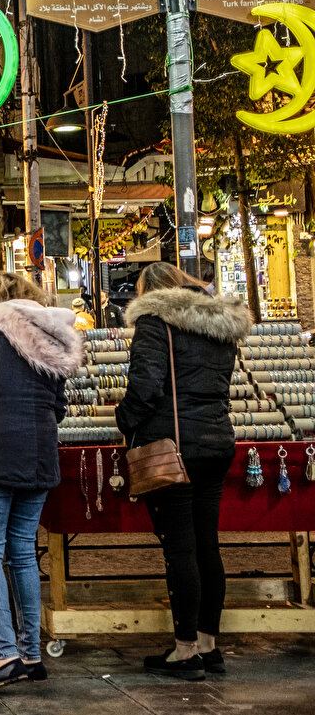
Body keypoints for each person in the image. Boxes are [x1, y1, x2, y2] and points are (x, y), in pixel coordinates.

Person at [0, 271, 83, 692]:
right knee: (23, 552)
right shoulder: (52, 330)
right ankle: (31, 655)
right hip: (40, 455)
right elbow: (59, 404)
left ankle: (4, 655)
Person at [115, 261, 249, 681]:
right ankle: (210, 646)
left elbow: (146, 386)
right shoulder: (219, 325)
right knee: (207, 543)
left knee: (181, 548)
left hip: (174, 449)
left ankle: (185, 651)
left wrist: (125, 419)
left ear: (149, 293)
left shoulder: (156, 324)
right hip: (216, 444)